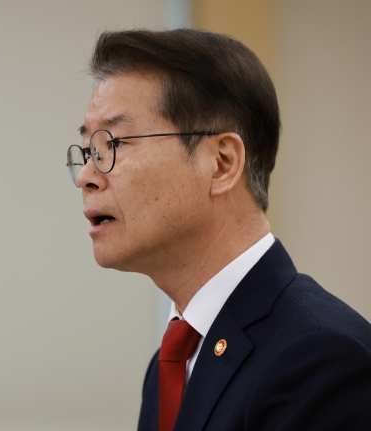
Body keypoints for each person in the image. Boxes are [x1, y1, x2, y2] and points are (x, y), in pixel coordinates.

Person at [66, 29, 371, 431]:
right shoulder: (169, 366)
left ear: (222, 163)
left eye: (113, 145)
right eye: (88, 150)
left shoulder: (319, 357)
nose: (86, 176)